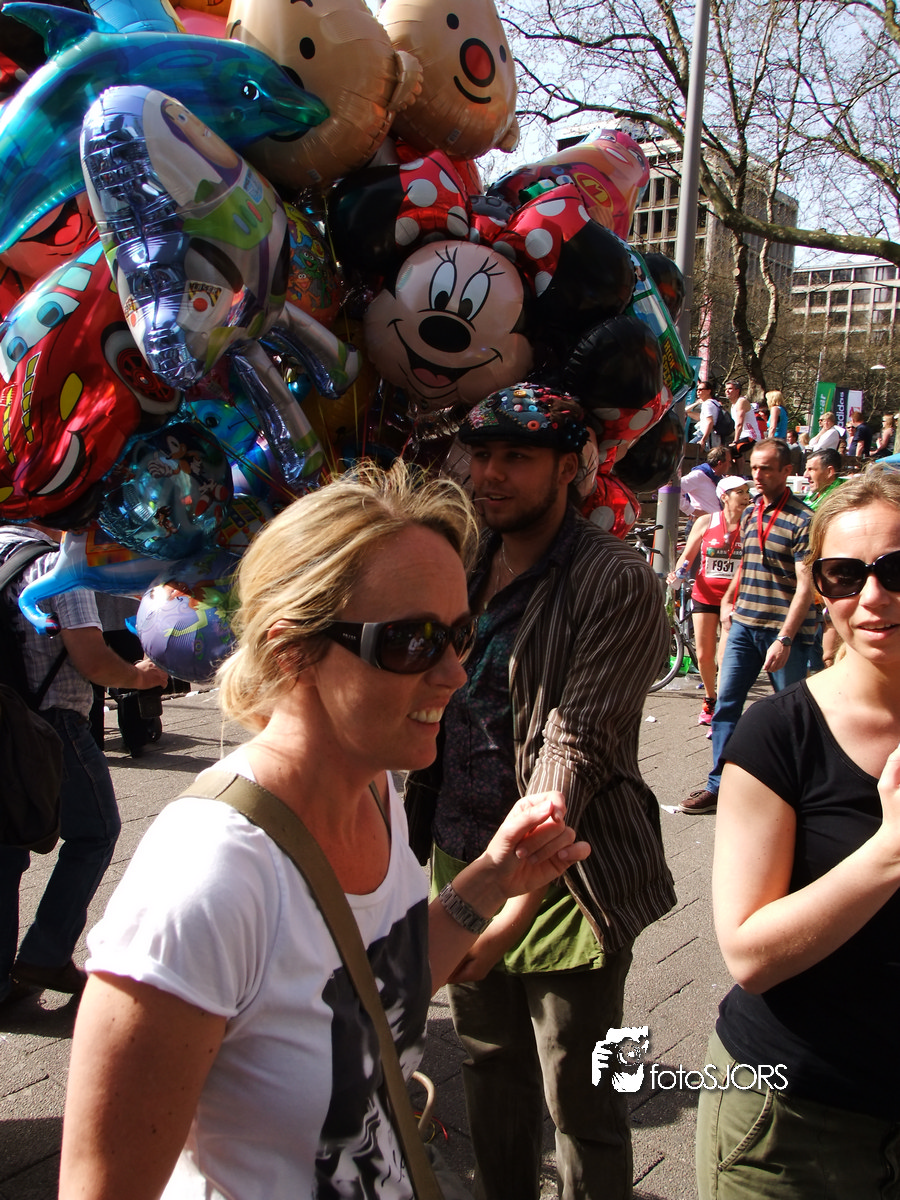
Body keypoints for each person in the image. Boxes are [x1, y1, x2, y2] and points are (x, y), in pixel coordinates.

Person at [59, 464, 590, 1199]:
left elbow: (374, 984)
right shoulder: (208, 879)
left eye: (460, 634)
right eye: (412, 641)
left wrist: (491, 880)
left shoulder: (376, 787)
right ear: (292, 651)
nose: (455, 675)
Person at [406, 386, 676, 1200]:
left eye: (515, 457)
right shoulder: (461, 559)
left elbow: (579, 738)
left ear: (569, 468)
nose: (489, 474)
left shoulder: (617, 578)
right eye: (481, 454)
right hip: (462, 854)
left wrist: (515, 895)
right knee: (488, 1073)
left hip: (569, 871)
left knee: (581, 1096)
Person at [696, 468, 900, 1199]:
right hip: (791, 1124)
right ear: (819, 587)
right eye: (844, 575)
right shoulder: (778, 733)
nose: (871, 597)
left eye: (896, 571)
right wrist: (890, 852)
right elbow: (749, 953)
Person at [0, 525, 168, 1006]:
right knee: (96, 832)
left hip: (4, 716)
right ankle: (46, 953)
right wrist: (140, 677)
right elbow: (92, 659)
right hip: (50, 724)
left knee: (5, 848)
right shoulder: (57, 564)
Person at [681, 439, 817, 814]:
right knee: (726, 704)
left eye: (766, 468)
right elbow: (746, 562)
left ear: (787, 471)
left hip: (783, 632)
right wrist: (729, 599)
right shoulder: (752, 511)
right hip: (743, 624)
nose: (757, 475)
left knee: (791, 713)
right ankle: (718, 786)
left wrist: (785, 638)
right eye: (754, 467)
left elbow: (806, 586)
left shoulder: (804, 520)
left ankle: (798, 791)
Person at [668, 477, 751, 726]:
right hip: (704, 595)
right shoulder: (706, 522)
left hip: (735, 600)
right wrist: (678, 573)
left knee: (725, 656)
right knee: (705, 655)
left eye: (747, 492)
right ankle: (710, 698)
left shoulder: (751, 525)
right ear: (724, 496)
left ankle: (725, 706)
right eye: (739, 492)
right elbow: (688, 556)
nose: (746, 496)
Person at [679, 444, 733, 520]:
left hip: (717, 522)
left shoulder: (720, 478)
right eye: (729, 462)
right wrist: (692, 510)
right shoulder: (698, 475)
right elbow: (674, 489)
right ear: (720, 463)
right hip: (701, 523)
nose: (730, 465)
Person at [804, 446, 844, 512]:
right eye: (806, 469)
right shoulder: (817, 492)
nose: (805, 475)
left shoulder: (838, 501)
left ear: (829, 472)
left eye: (811, 469)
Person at [690, 380, 723, 449]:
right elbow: (686, 411)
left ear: (709, 391)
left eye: (701, 389)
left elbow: (710, 422)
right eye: (697, 390)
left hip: (706, 436)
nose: (698, 391)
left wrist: (703, 440)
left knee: (689, 450)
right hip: (713, 436)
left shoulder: (707, 404)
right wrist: (696, 403)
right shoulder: (715, 403)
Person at [726, 379, 758, 446]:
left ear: (737, 391)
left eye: (730, 389)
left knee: (733, 450)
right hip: (742, 437)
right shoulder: (733, 405)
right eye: (726, 389)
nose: (727, 391)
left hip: (750, 437)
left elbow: (739, 424)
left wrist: (735, 441)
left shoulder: (741, 401)